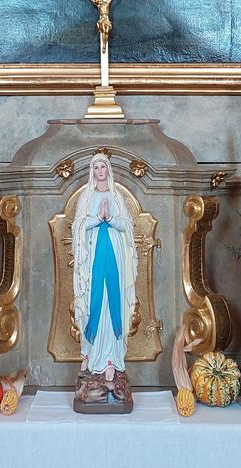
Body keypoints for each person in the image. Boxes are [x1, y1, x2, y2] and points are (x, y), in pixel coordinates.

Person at [72, 153, 137, 384]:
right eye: (96, 167)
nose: (100, 171)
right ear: (92, 171)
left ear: (108, 169)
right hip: (93, 255)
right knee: (94, 300)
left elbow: (127, 224)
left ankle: (111, 359)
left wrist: (111, 219)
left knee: (112, 301)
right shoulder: (86, 196)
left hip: (115, 254)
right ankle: (89, 353)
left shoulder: (117, 195)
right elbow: (78, 224)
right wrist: (97, 218)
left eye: (103, 167)